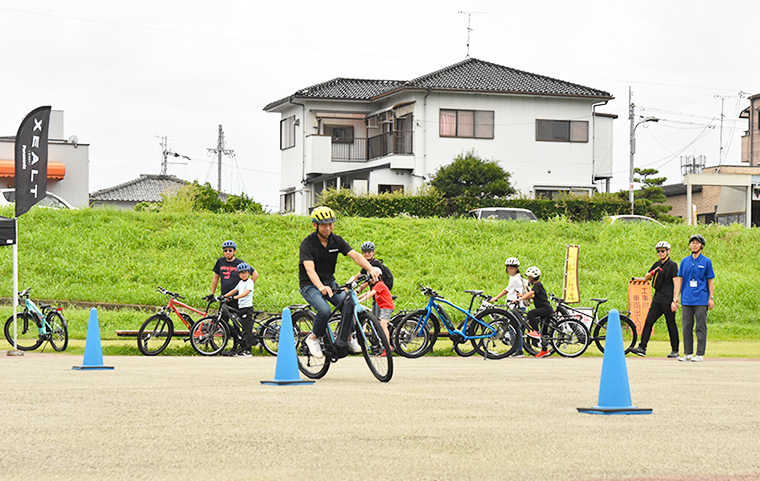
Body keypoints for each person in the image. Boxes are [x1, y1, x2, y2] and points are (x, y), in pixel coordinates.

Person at [299, 206, 380, 359]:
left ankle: (349, 338)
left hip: (330, 282)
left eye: (331, 224)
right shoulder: (307, 244)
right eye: (324, 225)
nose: (328, 228)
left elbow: (355, 256)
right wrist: (321, 286)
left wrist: (371, 269)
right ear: (315, 225)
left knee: (348, 304)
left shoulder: (336, 241)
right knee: (324, 311)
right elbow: (309, 270)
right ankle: (313, 338)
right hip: (310, 285)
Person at [630, 241, 680, 358]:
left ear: (668, 251)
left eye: (663, 251)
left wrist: (675, 299)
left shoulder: (672, 265)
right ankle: (642, 347)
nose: (660, 253)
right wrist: (653, 271)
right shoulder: (657, 264)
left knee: (671, 324)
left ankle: (675, 350)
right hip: (657, 298)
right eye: (658, 251)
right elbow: (646, 278)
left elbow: (676, 282)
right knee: (648, 321)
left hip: (668, 299)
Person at [673, 234, 715, 363]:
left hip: (701, 299)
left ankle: (700, 354)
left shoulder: (706, 261)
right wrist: (676, 297)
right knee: (686, 326)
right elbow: (680, 280)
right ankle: (688, 353)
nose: (694, 245)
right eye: (692, 243)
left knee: (700, 327)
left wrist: (711, 298)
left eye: (697, 243)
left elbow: (710, 281)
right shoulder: (684, 261)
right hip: (686, 299)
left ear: (702, 245)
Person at [489, 257, 527, 357]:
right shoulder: (515, 277)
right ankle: (517, 350)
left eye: (512, 268)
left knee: (513, 328)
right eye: (508, 268)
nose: (509, 270)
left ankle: (518, 351)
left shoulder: (515, 279)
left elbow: (506, 290)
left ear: (517, 268)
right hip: (514, 306)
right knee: (515, 328)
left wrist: (495, 298)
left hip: (517, 307)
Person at [517, 266, 554, 358]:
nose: (528, 279)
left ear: (532, 277)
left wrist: (520, 298)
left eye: (529, 277)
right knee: (544, 331)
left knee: (531, 313)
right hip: (546, 310)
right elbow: (531, 296)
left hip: (545, 309)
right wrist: (522, 295)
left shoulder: (537, 285)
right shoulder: (536, 286)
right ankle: (544, 351)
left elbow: (531, 294)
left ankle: (536, 332)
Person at [209, 241, 258, 310]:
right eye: (225, 250)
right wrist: (212, 293)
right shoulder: (220, 261)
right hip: (225, 296)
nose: (228, 252)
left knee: (237, 319)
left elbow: (255, 274)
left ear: (234, 251)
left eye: (230, 250)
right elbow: (215, 278)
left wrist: (247, 286)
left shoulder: (240, 263)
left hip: (236, 297)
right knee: (222, 319)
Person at [223, 263, 256, 357]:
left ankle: (248, 351)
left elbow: (246, 293)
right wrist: (224, 296)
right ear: (239, 274)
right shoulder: (241, 283)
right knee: (243, 328)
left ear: (249, 273)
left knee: (247, 329)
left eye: (245, 273)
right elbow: (234, 290)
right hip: (241, 307)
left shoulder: (250, 282)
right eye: (241, 273)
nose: (243, 275)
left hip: (247, 308)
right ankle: (242, 348)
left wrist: (234, 298)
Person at [357, 273, 394, 357]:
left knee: (383, 326)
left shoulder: (379, 284)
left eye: (373, 278)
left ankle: (388, 347)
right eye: (370, 278)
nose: (371, 280)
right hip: (383, 307)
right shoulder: (375, 286)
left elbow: (370, 294)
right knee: (381, 325)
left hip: (386, 307)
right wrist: (357, 297)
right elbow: (367, 293)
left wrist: (359, 302)